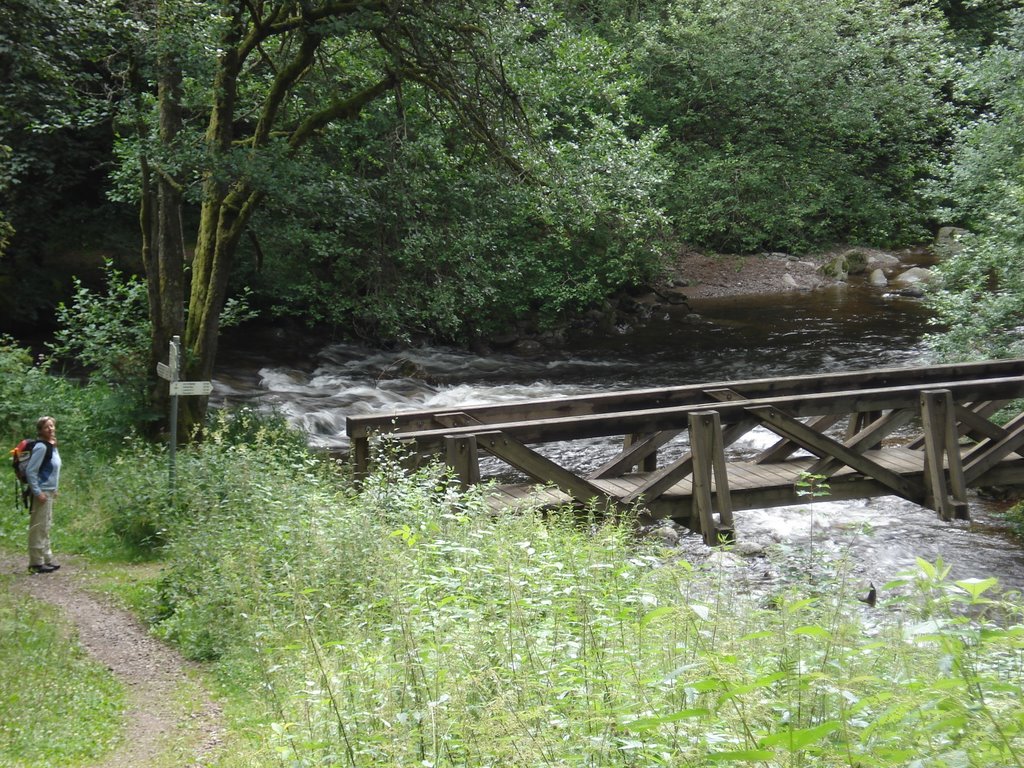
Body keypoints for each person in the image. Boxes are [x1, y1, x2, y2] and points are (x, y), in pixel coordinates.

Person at [26, 415, 61, 574]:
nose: (50, 429)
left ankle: (46, 558)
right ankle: (36, 562)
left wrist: (54, 488)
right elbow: (31, 471)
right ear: (40, 430)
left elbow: (52, 470)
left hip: (49, 491)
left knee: (46, 526)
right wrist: (37, 491)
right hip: (42, 492)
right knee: (39, 527)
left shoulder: (52, 446)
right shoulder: (41, 447)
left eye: (52, 426)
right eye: (47, 426)